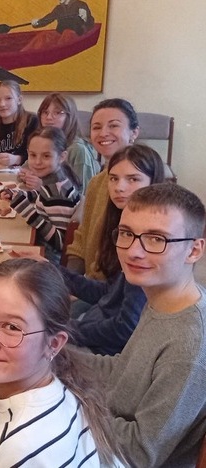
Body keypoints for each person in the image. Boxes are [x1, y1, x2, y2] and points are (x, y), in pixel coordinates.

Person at [73, 183, 206, 466]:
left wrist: (70, 409)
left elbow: (139, 452)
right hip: (104, 430)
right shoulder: (164, 299)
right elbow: (124, 369)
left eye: (157, 239)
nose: (134, 251)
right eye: (126, 234)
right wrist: (54, 356)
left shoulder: (188, 347)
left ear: (194, 250)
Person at [0, 259, 124, 467]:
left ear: (54, 343)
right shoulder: (64, 388)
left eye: (12, 327)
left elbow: (19, 450)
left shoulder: (16, 450)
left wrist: (4, 434)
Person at [62, 145, 166, 355]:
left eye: (133, 179)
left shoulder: (149, 244)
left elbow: (125, 328)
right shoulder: (121, 226)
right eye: (113, 179)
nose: (119, 187)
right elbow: (110, 294)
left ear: (153, 183)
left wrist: (69, 331)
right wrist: (56, 272)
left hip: (109, 352)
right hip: (97, 323)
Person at [66, 98, 140, 279]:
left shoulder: (141, 186)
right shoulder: (97, 182)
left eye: (113, 126)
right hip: (90, 283)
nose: (103, 133)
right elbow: (82, 238)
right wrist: (68, 281)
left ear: (134, 133)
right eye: (97, 127)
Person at [1, 127, 81, 263]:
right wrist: (17, 195)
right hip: (40, 249)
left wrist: (27, 211)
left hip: (47, 258)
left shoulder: (57, 194)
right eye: (33, 155)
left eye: (46, 156)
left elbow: (60, 242)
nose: (37, 162)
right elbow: (42, 196)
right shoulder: (55, 181)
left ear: (62, 157)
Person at [30, 93, 100, 192]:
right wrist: (25, 174)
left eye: (57, 112)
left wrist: (43, 188)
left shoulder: (78, 150)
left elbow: (86, 193)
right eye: (45, 112)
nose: (49, 117)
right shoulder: (41, 142)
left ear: (70, 117)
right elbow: (26, 168)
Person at [0, 80, 39, 169]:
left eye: (8, 98)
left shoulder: (33, 122)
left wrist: (17, 159)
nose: (2, 104)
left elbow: (40, 155)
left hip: (26, 173)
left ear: (19, 100)